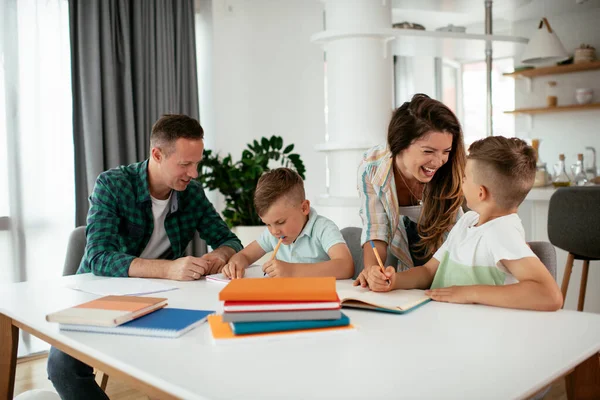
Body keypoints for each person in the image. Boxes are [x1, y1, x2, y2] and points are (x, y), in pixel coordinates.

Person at [47, 114, 243, 399]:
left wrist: (219, 256)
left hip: (162, 302)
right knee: (62, 366)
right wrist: (169, 269)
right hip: (101, 297)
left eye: (197, 163)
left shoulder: (192, 194)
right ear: (157, 154)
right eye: (185, 164)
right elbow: (99, 256)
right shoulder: (113, 185)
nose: (194, 173)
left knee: (194, 354)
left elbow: (229, 240)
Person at [360, 136, 563, 311]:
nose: (460, 182)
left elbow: (550, 295)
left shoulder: (502, 231)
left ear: (481, 192)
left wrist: (468, 293)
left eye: (465, 178)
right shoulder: (468, 221)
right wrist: (394, 281)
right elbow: (429, 271)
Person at [355, 93, 466, 282]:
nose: (439, 162)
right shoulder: (372, 168)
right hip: (403, 269)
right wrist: (373, 271)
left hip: (450, 265)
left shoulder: (454, 172)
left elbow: (457, 243)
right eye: (428, 151)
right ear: (400, 143)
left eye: (446, 151)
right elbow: (376, 227)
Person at [222, 167, 354, 279]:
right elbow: (244, 255)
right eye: (267, 224)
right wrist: (235, 264)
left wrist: (292, 271)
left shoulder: (323, 228)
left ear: (304, 208)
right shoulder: (274, 234)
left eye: (280, 222)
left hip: (318, 300)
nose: (274, 231)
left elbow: (346, 266)